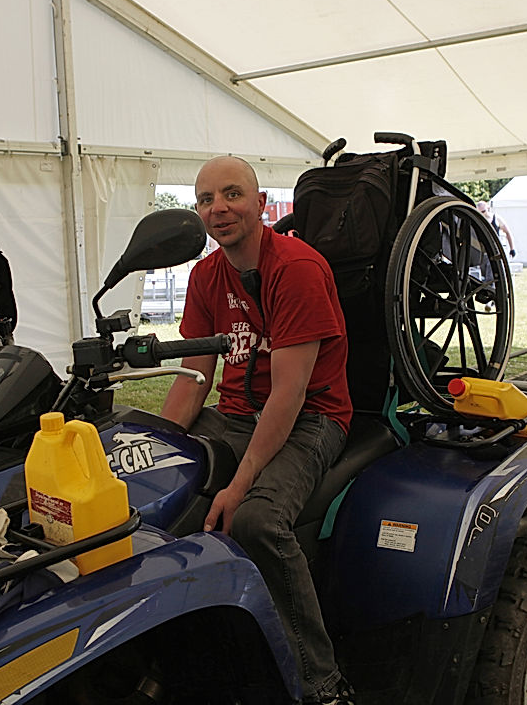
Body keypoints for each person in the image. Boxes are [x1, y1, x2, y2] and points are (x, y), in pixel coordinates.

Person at [160, 156, 356, 705]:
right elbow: (194, 379)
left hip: (312, 418)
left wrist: (239, 483)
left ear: (260, 204)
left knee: (257, 521)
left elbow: (290, 395)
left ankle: (321, 681)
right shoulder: (205, 276)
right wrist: (155, 448)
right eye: (205, 200)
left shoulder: (296, 269)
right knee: (159, 494)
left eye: (232, 194)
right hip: (237, 414)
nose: (218, 208)